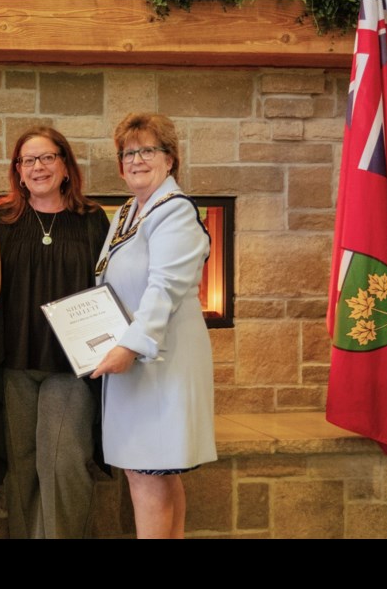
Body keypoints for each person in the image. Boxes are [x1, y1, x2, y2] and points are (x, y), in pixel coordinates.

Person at [90, 112, 216, 539]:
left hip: (159, 363)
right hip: (135, 362)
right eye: (128, 152)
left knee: (149, 475)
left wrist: (129, 346)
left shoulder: (175, 212)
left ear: (170, 159)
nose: (136, 160)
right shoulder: (129, 211)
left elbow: (164, 289)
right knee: (153, 473)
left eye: (148, 150)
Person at [0, 127, 109, 538]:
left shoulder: (92, 220)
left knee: (62, 461)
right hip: (13, 362)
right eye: (28, 160)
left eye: (47, 157)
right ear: (18, 172)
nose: (38, 167)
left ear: (65, 165)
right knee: (21, 463)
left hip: (71, 366)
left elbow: (108, 288)